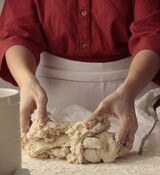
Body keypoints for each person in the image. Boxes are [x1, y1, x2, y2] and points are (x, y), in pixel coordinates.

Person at [0, 0, 160, 150]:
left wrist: (129, 93)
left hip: (132, 97)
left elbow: (151, 34)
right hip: (48, 101)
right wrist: (27, 82)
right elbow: (16, 33)